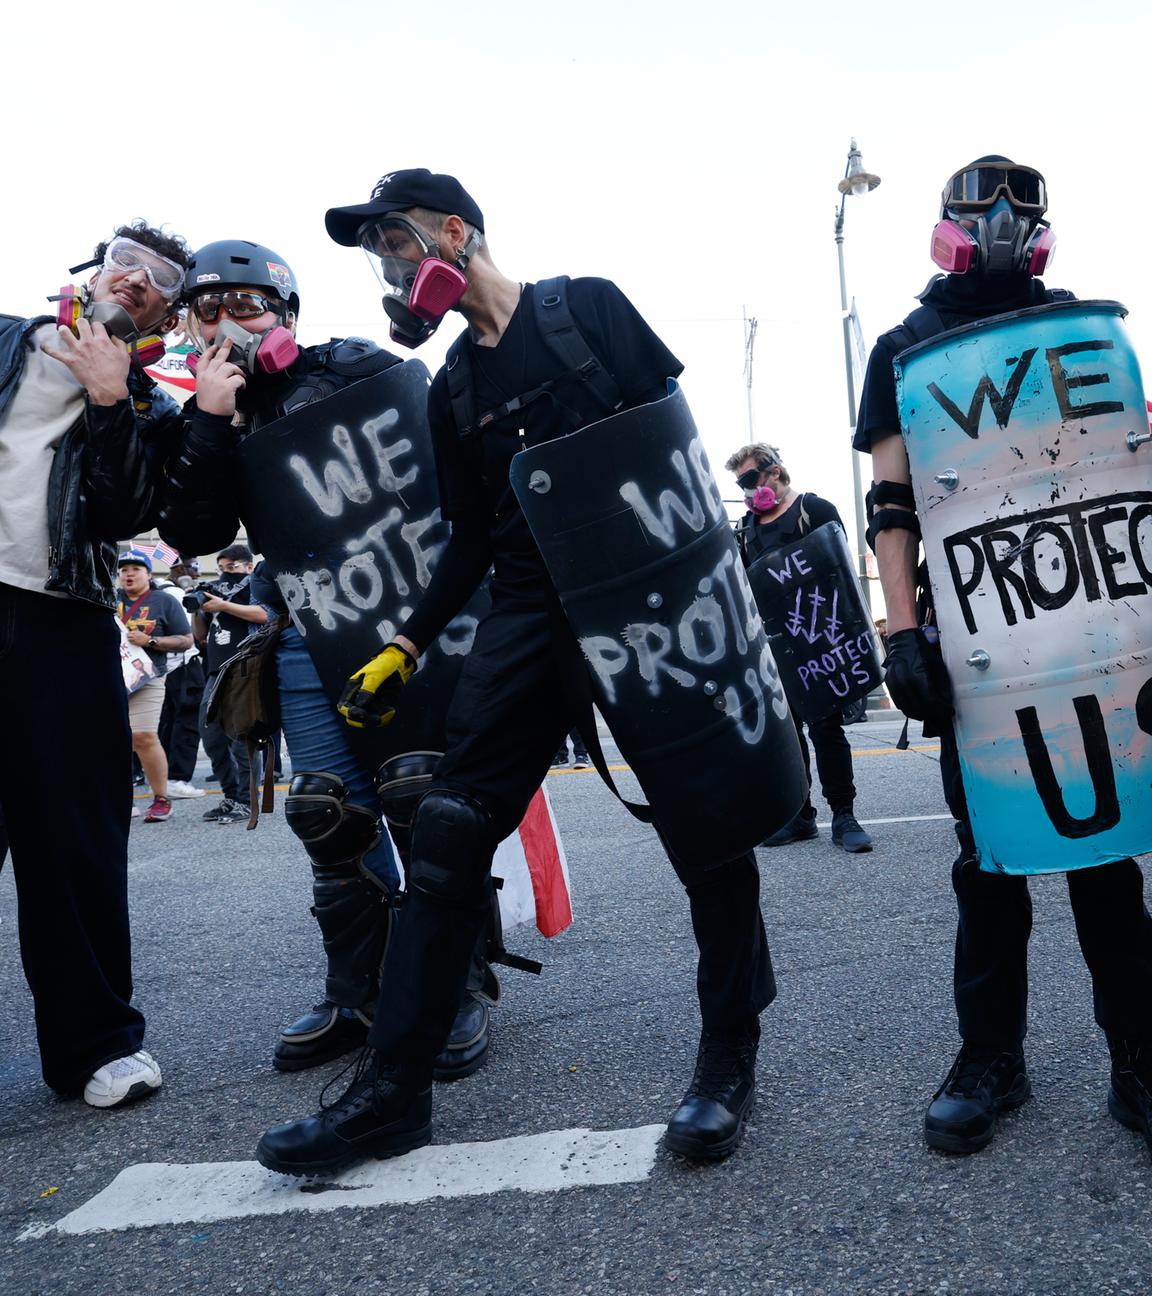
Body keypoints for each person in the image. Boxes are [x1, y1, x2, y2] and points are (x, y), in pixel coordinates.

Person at [255, 168, 781, 1176]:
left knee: (707, 832)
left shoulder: (585, 309)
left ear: (457, 232)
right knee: (449, 827)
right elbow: (466, 541)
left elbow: (676, 448)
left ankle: (727, 1061)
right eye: (376, 257)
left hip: (642, 601)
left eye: (398, 242)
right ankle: (393, 1092)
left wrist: (713, 612)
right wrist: (403, 646)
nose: (390, 269)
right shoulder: (454, 387)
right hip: (530, 615)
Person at [856, 156, 1152, 1155]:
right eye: (976, 208)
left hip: (1090, 644)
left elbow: (1122, 474)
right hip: (981, 654)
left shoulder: (1075, 331)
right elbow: (891, 507)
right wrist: (902, 636)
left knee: (1108, 865)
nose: (994, 225)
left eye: (1015, 208)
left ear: (1040, 230)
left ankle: (1139, 1058)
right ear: (945, 225)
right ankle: (993, 1060)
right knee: (987, 868)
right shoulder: (906, 349)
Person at [157, 240, 491, 1078]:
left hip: (402, 623)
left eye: (245, 303)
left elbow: (436, 461)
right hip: (306, 631)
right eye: (206, 308)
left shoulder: (348, 367)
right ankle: (361, 991)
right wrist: (209, 421)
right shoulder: (207, 413)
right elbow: (192, 533)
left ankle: (457, 983)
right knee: (324, 808)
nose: (226, 321)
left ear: (285, 312)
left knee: (421, 796)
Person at [0, 220, 189, 1106]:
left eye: (162, 281)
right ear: (93, 271)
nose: (139, 282)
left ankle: (95, 1046)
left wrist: (113, 401)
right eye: (127, 263)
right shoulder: (4, 340)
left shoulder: (151, 403)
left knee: (71, 840)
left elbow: (122, 513)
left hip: (63, 621)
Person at [726, 443, 873, 854]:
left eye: (751, 479)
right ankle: (800, 815)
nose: (747, 490)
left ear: (774, 472)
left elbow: (840, 569)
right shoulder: (746, 527)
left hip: (821, 638)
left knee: (827, 728)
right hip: (777, 649)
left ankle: (844, 814)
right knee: (787, 735)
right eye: (740, 483)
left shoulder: (815, 510)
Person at [193, 543, 268, 825]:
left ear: (249, 565)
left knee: (243, 737)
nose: (225, 573)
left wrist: (223, 605)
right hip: (215, 669)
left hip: (245, 666)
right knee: (211, 734)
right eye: (221, 568)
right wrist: (198, 609)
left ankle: (248, 802)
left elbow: (264, 615)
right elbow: (199, 637)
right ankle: (230, 796)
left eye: (232, 567)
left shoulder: (257, 585)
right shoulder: (215, 589)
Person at [117, 549, 193, 822]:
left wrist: (150, 641)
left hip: (147, 678)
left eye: (135, 569)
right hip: (109, 677)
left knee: (143, 736)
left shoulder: (164, 600)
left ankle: (161, 798)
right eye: (124, 569)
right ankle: (118, 800)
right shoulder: (109, 600)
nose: (129, 574)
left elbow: (186, 639)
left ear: (148, 574)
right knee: (110, 740)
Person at [157, 555, 208, 798]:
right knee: (187, 723)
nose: (196, 574)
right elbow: (193, 634)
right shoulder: (177, 595)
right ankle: (178, 777)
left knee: (167, 722)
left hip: (161, 668)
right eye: (192, 568)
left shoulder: (155, 592)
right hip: (184, 665)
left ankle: (164, 773)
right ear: (179, 569)